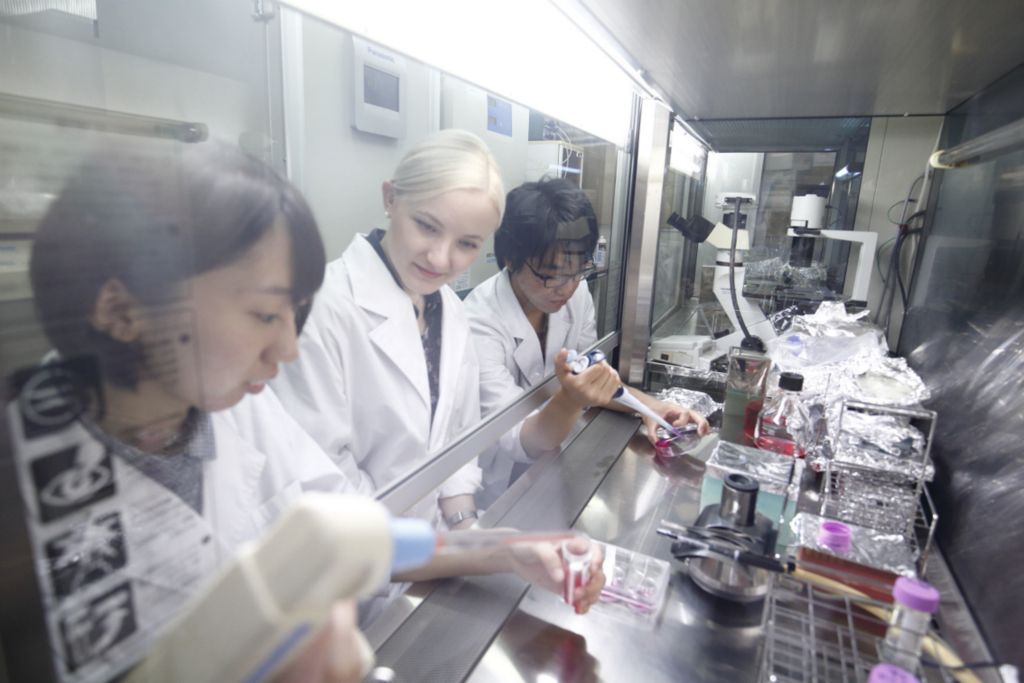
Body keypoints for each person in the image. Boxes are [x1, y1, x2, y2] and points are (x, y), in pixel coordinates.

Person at [15, 143, 602, 683]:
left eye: (292, 315)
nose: (287, 350)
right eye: (263, 315)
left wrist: (506, 551)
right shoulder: (30, 486)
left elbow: (350, 533)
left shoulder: (227, 408)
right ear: (123, 311)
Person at [273, 130, 620, 528]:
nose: (440, 259)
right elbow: (320, 477)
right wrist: (436, 551)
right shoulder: (320, 309)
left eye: (467, 244)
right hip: (351, 549)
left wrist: (465, 526)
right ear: (390, 198)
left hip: (430, 540)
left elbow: (458, 441)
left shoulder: (449, 311)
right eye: (426, 226)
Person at [465, 177, 709, 502]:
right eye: (551, 274)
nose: (567, 287)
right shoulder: (478, 323)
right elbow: (520, 439)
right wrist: (572, 399)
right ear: (511, 258)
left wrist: (655, 409)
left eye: (577, 270)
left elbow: (594, 380)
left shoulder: (576, 293)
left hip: (557, 458)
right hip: (497, 483)